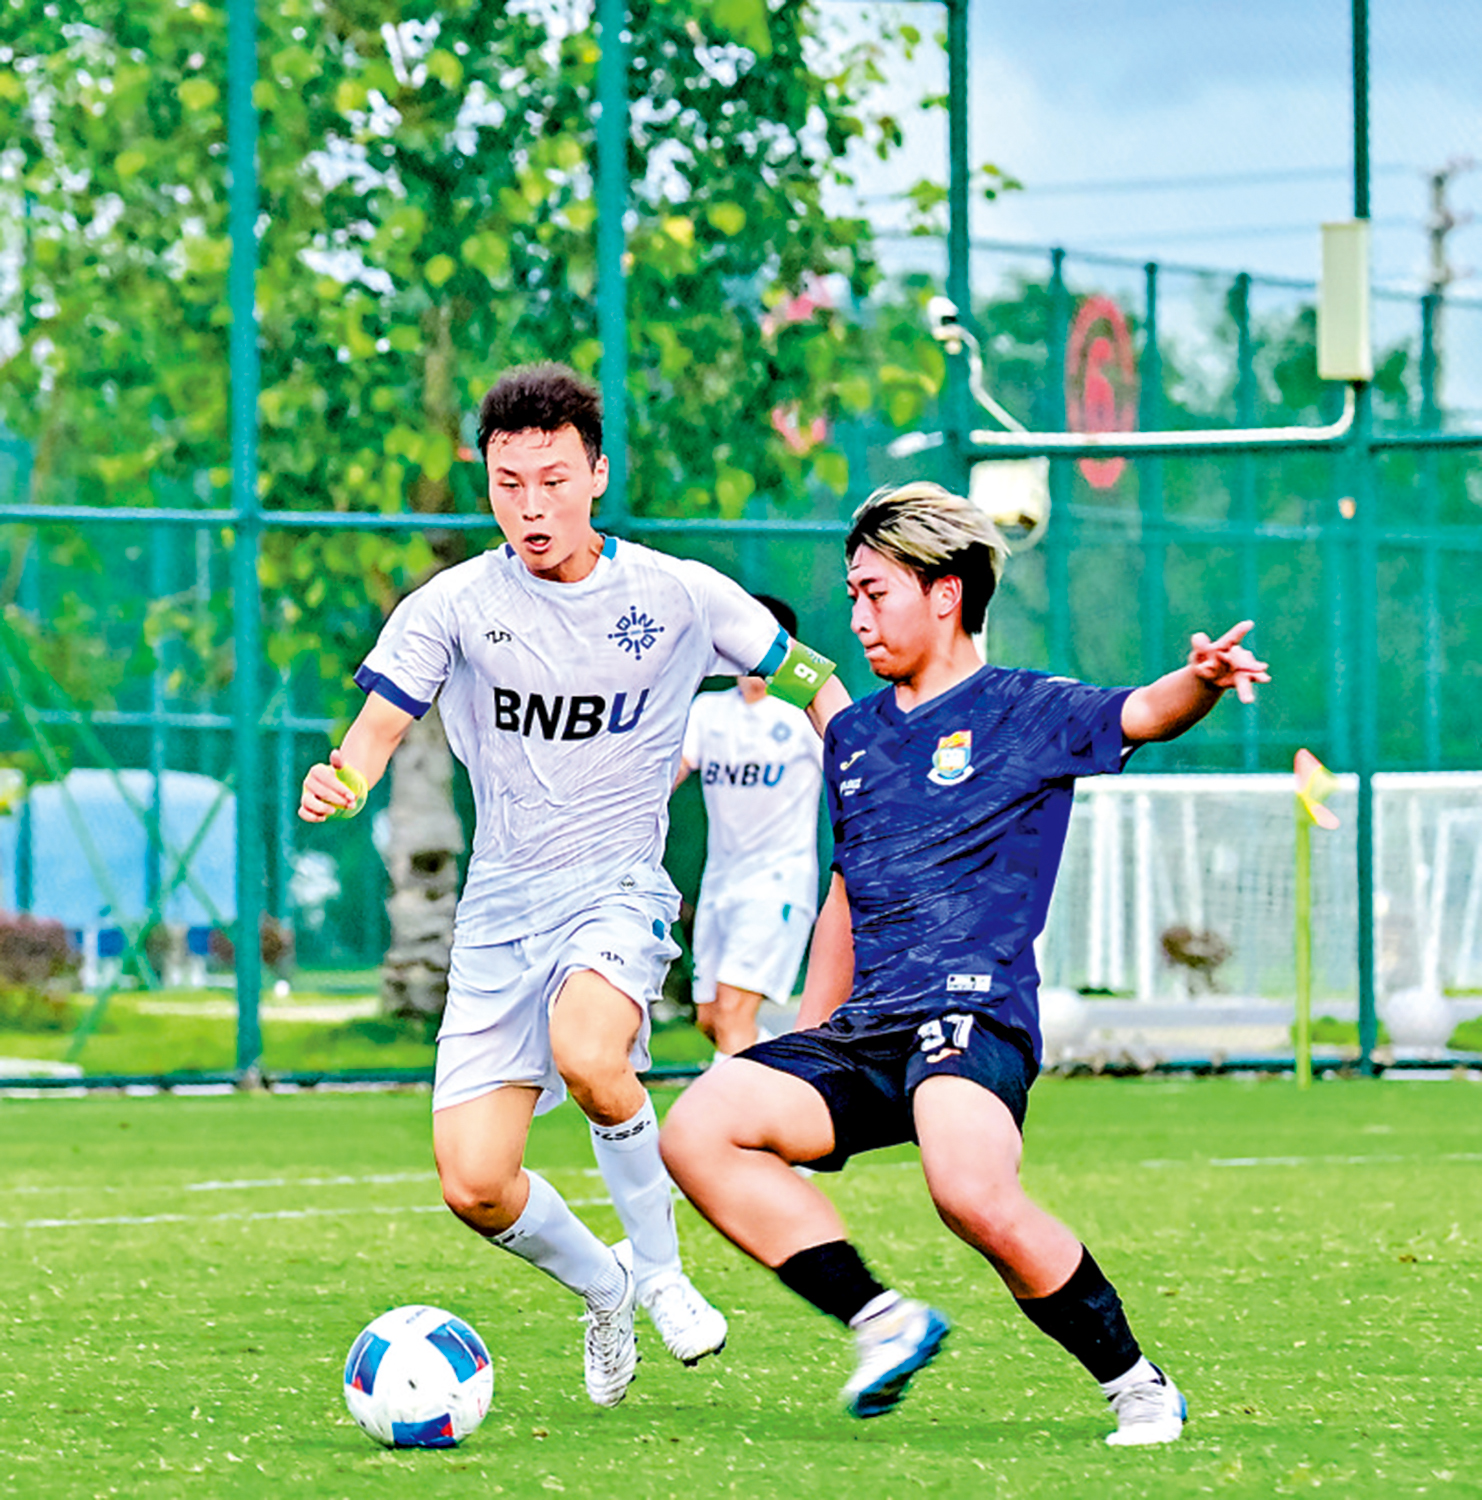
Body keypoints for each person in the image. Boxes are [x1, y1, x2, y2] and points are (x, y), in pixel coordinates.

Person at [661, 479, 1270, 1444]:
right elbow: (848, 894)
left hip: (971, 1013)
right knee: (698, 1127)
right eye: (852, 594)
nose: (858, 615)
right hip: (867, 1031)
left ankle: (1136, 1383)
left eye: (875, 592)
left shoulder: (1028, 710)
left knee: (969, 1192)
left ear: (944, 592)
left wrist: (1199, 679)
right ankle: (881, 1319)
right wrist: (809, 1033)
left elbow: (1146, 713)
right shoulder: (854, 736)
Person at [299, 363, 848, 1409]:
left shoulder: (676, 594)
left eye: (552, 479)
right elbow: (380, 723)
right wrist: (348, 777)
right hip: (501, 911)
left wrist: (864, 760)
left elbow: (808, 675)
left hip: (619, 891)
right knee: (474, 1182)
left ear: (598, 472)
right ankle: (605, 1286)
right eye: (508, 483)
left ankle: (665, 1276)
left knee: (591, 1054)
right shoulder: (454, 605)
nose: (531, 506)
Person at [675, 594, 824, 1060]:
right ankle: (787, 1082)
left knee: (735, 1014)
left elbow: (853, 768)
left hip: (778, 883)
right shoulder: (709, 711)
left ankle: (722, 1129)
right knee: (712, 1019)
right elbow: (672, 772)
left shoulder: (805, 711)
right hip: (721, 882)